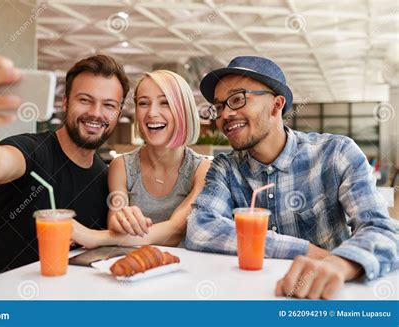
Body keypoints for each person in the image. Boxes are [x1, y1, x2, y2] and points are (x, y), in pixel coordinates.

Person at [185, 56, 399, 299]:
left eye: (237, 99)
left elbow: (381, 229)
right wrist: (307, 250)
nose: (224, 114)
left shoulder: (336, 153)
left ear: (277, 104)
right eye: (220, 106)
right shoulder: (225, 168)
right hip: (253, 296)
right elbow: (200, 229)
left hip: (328, 298)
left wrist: (340, 263)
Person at [0, 52, 130, 289]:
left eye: (109, 105)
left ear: (118, 114)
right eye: (85, 100)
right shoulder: (32, 150)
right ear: (66, 102)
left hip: (45, 295)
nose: (96, 112)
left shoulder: (106, 178)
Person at [71, 70, 210, 248]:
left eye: (165, 102)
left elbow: (176, 230)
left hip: (182, 271)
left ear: (184, 110)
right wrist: (121, 221)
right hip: (134, 268)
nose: (152, 113)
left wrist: (94, 237)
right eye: (143, 103)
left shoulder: (202, 170)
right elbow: (115, 221)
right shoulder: (121, 166)